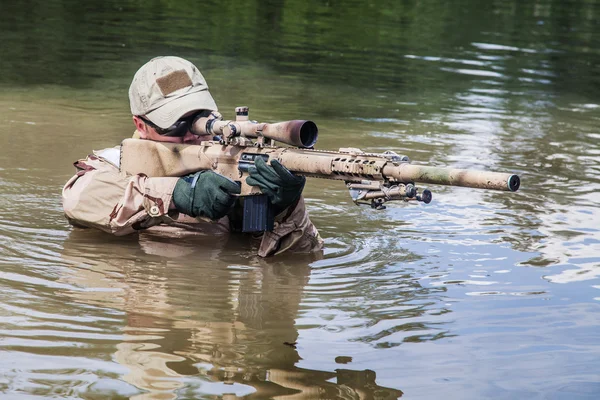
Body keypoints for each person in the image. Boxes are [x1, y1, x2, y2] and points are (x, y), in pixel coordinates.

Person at [62, 56, 323, 257]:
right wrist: (177, 193)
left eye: (199, 120)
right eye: (176, 125)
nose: (192, 135)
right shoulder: (114, 164)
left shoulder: (230, 159)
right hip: (153, 299)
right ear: (141, 125)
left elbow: (300, 260)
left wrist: (285, 209)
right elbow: (77, 201)